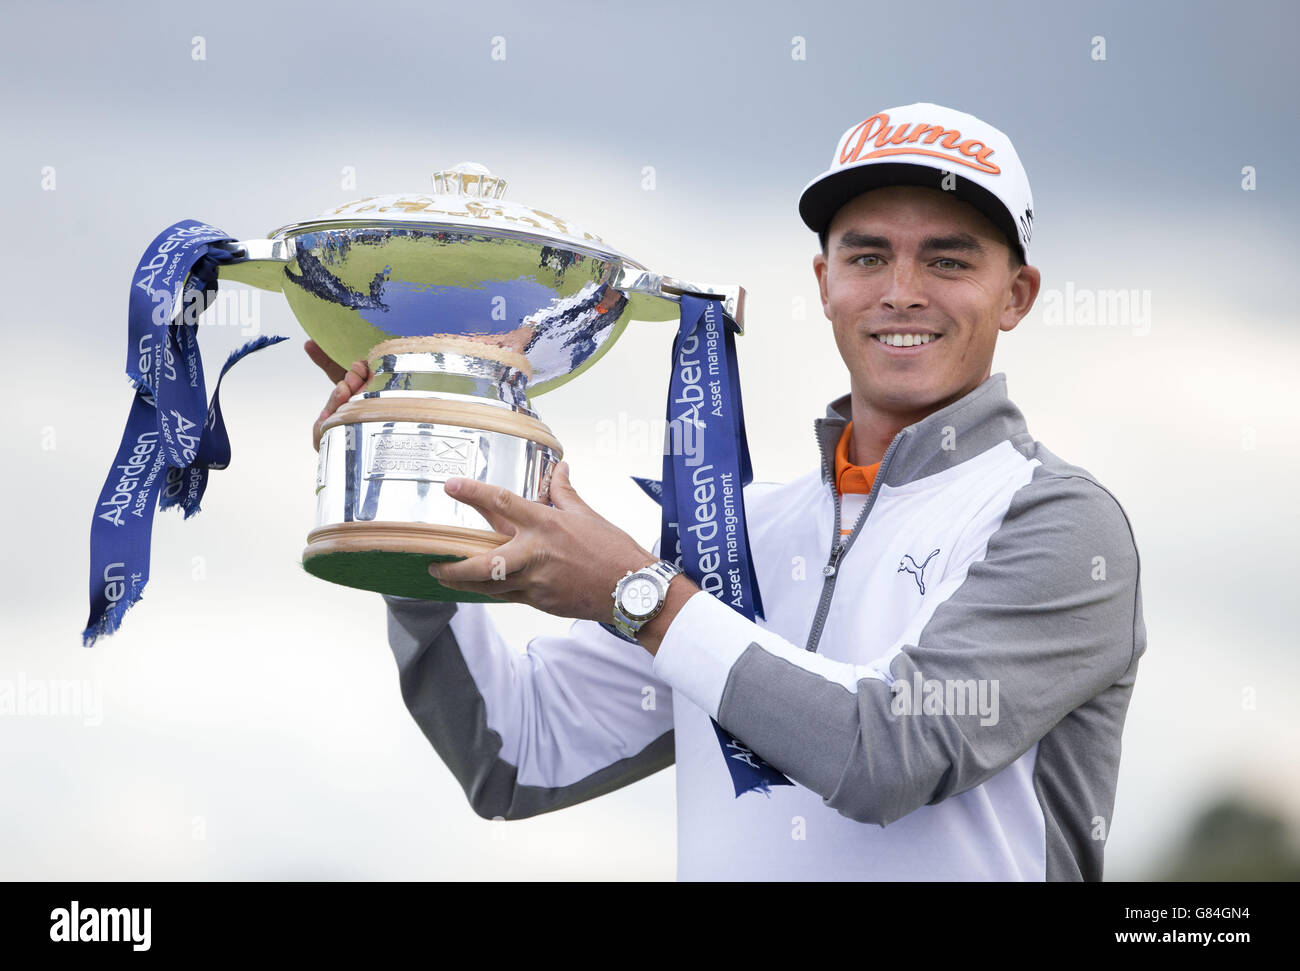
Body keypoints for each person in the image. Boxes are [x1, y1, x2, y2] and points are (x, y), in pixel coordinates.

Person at [307, 103, 1146, 881]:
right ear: (824, 282)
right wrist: (414, 488)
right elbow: (516, 752)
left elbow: (889, 754)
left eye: (948, 259)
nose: (901, 291)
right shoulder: (734, 533)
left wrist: (639, 595)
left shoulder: (1061, 524)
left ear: (1018, 295)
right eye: (867, 255)